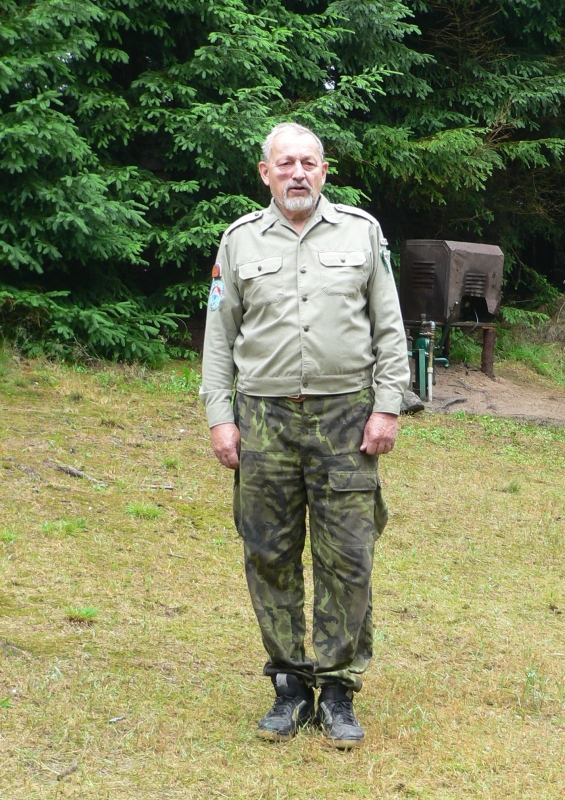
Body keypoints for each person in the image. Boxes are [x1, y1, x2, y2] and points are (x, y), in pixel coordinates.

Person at [200, 122, 410, 749]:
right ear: (265, 172)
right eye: (286, 162)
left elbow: (389, 327)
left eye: (309, 162)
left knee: (348, 555)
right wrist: (219, 416)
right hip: (263, 419)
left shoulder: (362, 232)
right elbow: (219, 338)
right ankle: (290, 683)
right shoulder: (239, 240)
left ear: (324, 170)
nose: (298, 173)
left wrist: (388, 406)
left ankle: (339, 688)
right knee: (268, 552)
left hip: (347, 418)